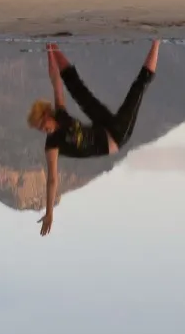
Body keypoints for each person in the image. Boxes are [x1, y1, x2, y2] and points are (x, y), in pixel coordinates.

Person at [27, 40, 159, 236]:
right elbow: (52, 180)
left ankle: (53, 43)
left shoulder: (60, 114)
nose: (43, 130)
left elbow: (56, 81)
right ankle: (157, 41)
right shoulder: (52, 145)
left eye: (41, 125)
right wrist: (49, 212)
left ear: (47, 114)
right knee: (139, 87)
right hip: (116, 136)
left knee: (76, 88)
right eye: (40, 129)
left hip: (102, 126)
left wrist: (50, 51)